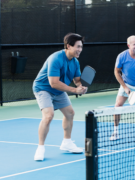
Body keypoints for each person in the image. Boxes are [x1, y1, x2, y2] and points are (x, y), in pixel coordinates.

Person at [33, 33, 87, 161]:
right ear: (68, 46)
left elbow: (77, 80)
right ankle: (40, 148)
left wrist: (81, 86)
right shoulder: (56, 58)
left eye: (81, 47)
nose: (80, 49)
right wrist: (75, 90)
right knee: (48, 115)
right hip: (43, 88)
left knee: (70, 113)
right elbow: (53, 83)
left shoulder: (75, 62)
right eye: (77, 47)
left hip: (59, 90)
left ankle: (67, 142)